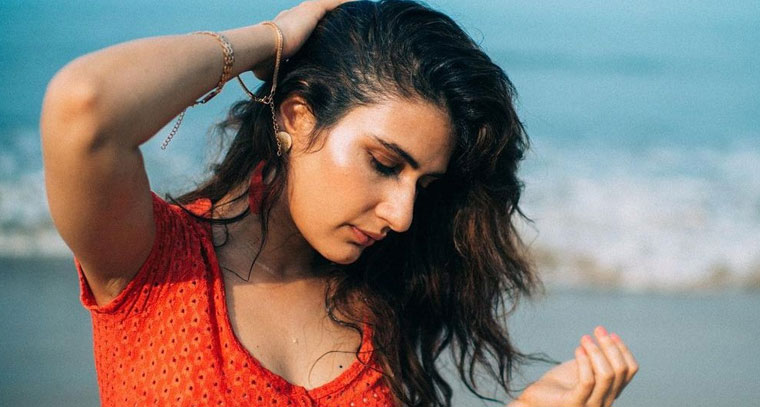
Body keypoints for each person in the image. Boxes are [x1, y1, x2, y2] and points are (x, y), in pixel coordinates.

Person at [40, 0, 638, 406]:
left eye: (423, 185)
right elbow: (85, 105)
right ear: (298, 117)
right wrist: (275, 38)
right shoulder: (153, 262)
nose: (402, 214)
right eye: (384, 163)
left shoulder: (375, 306)